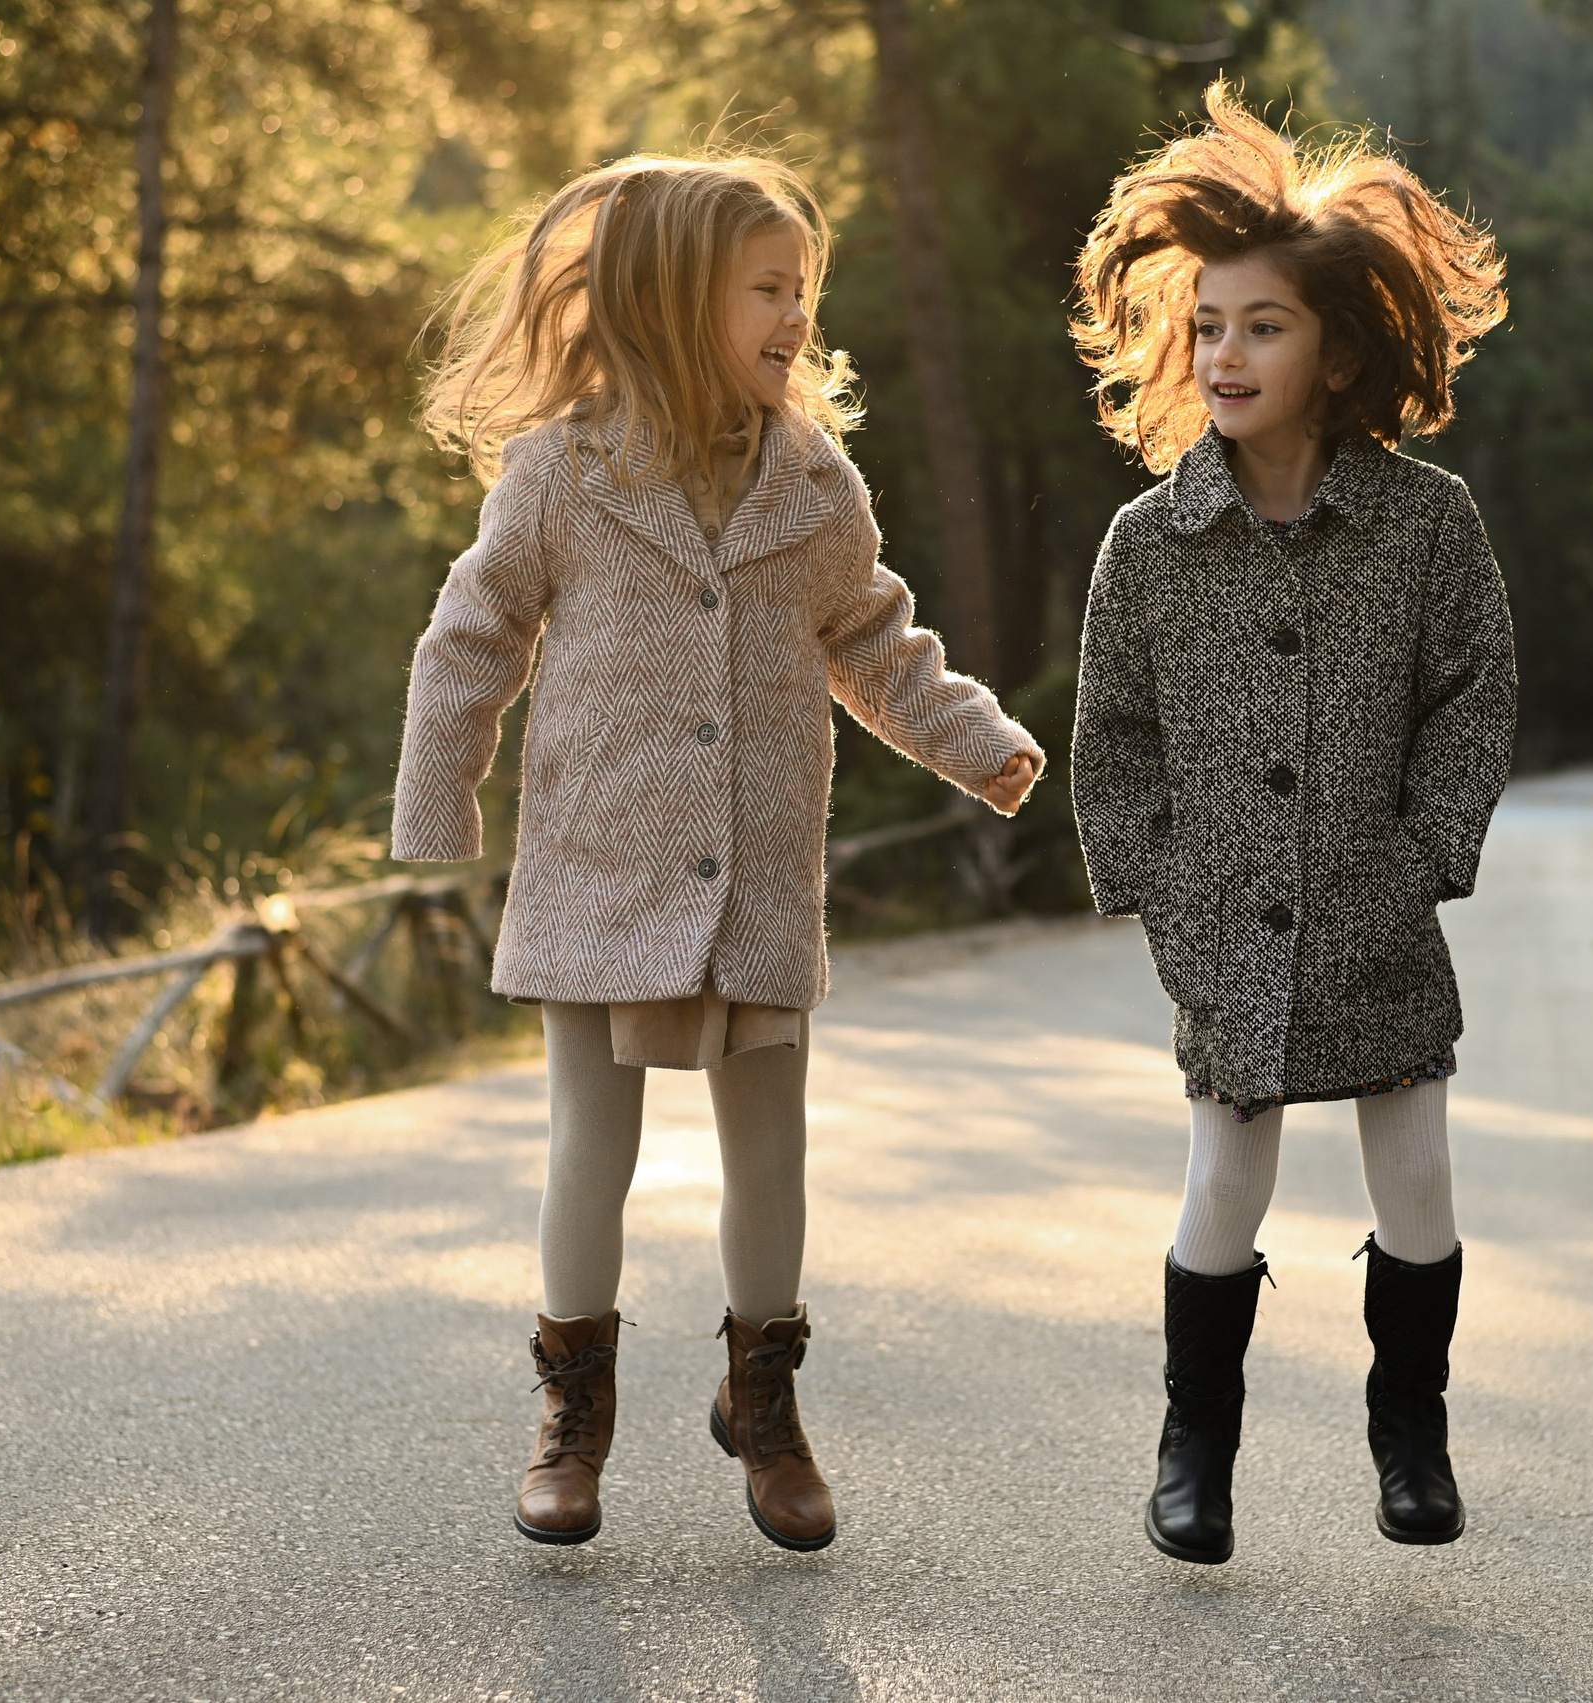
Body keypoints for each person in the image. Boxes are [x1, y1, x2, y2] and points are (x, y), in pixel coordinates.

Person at [393, 152, 1042, 1553]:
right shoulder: (560, 474)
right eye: (767, 287)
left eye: (805, 288)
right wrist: (439, 808)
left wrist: (973, 737)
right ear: (679, 301)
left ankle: (765, 1406)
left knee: (771, 1149)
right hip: (595, 868)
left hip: (755, 873)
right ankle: (574, 1417)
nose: (797, 313)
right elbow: (472, 640)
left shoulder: (812, 482)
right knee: (590, 1145)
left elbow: (872, 638)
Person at [1069, 82, 1515, 1565]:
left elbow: (1473, 691)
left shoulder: (1426, 524)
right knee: (1225, 1172)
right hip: (1224, 923)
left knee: (1420, 1173)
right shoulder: (1150, 544)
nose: (1226, 352)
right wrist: (1162, 896)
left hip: (1376, 907)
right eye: (1208, 326)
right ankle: (1193, 1454)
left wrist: (1426, 854)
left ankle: (1412, 1432)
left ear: (1334, 350)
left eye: (1262, 325)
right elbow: (1113, 743)